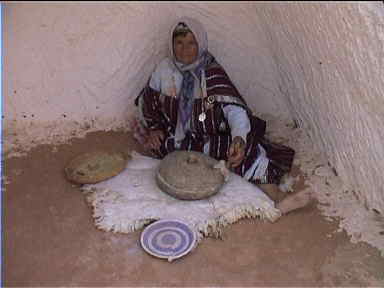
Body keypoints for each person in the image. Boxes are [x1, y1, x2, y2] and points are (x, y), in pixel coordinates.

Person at [133, 17, 311, 217]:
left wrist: (238, 139)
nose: (185, 50)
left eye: (192, 43)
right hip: (176, 134)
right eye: (179, 43)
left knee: (243, 150)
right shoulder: (163, 70)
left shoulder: (211, 72)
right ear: (171, 45)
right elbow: (148, 101)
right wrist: (154, 127)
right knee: (165, 149)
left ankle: (277, 197)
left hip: (210, 132)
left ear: (200, 43)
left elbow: (234, 110)